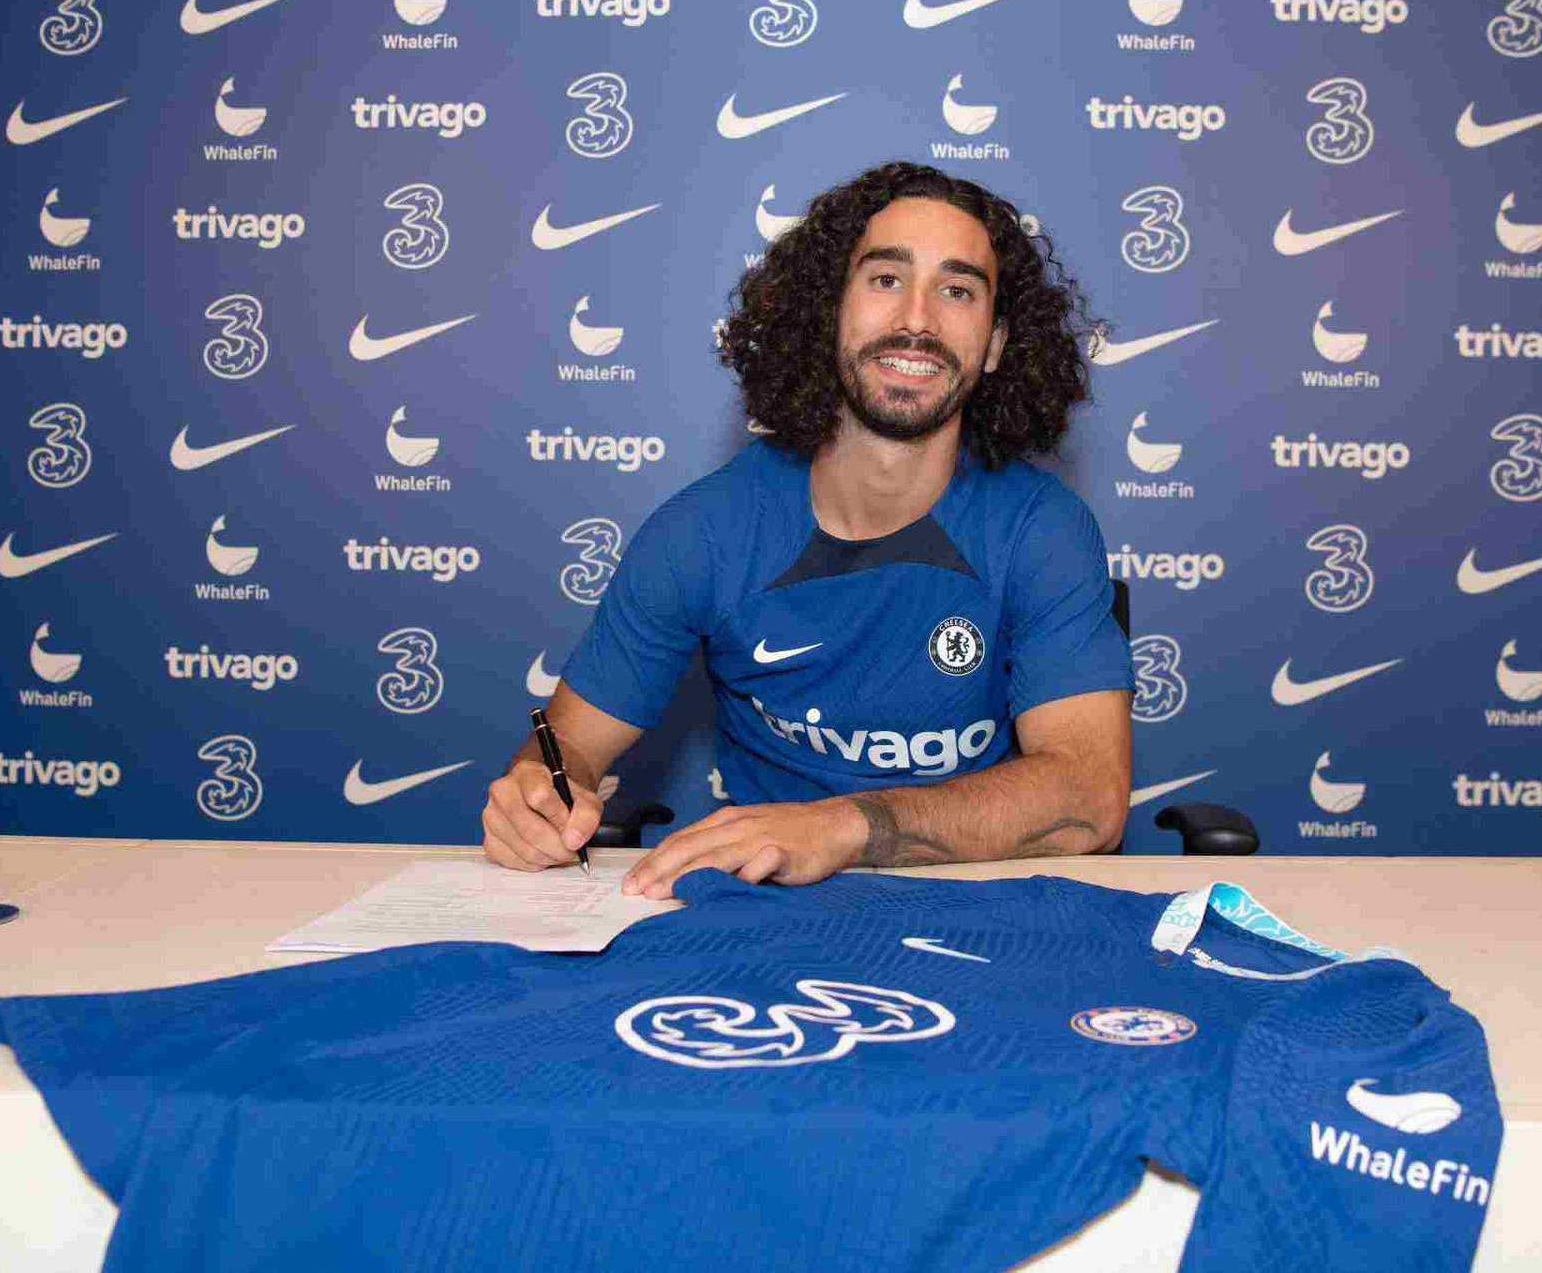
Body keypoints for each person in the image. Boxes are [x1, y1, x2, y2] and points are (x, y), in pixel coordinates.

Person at [481, 161, 1133, 898]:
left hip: (978, 912)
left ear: (994, 345)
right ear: (830, 313)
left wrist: (840, 826)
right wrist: (537, 791)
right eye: (885, 279)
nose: (917, 319)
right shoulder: (703, 531)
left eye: (957, 290)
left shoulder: (1041, 530)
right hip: (760, 918)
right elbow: (567, 744)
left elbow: (1089, 797)